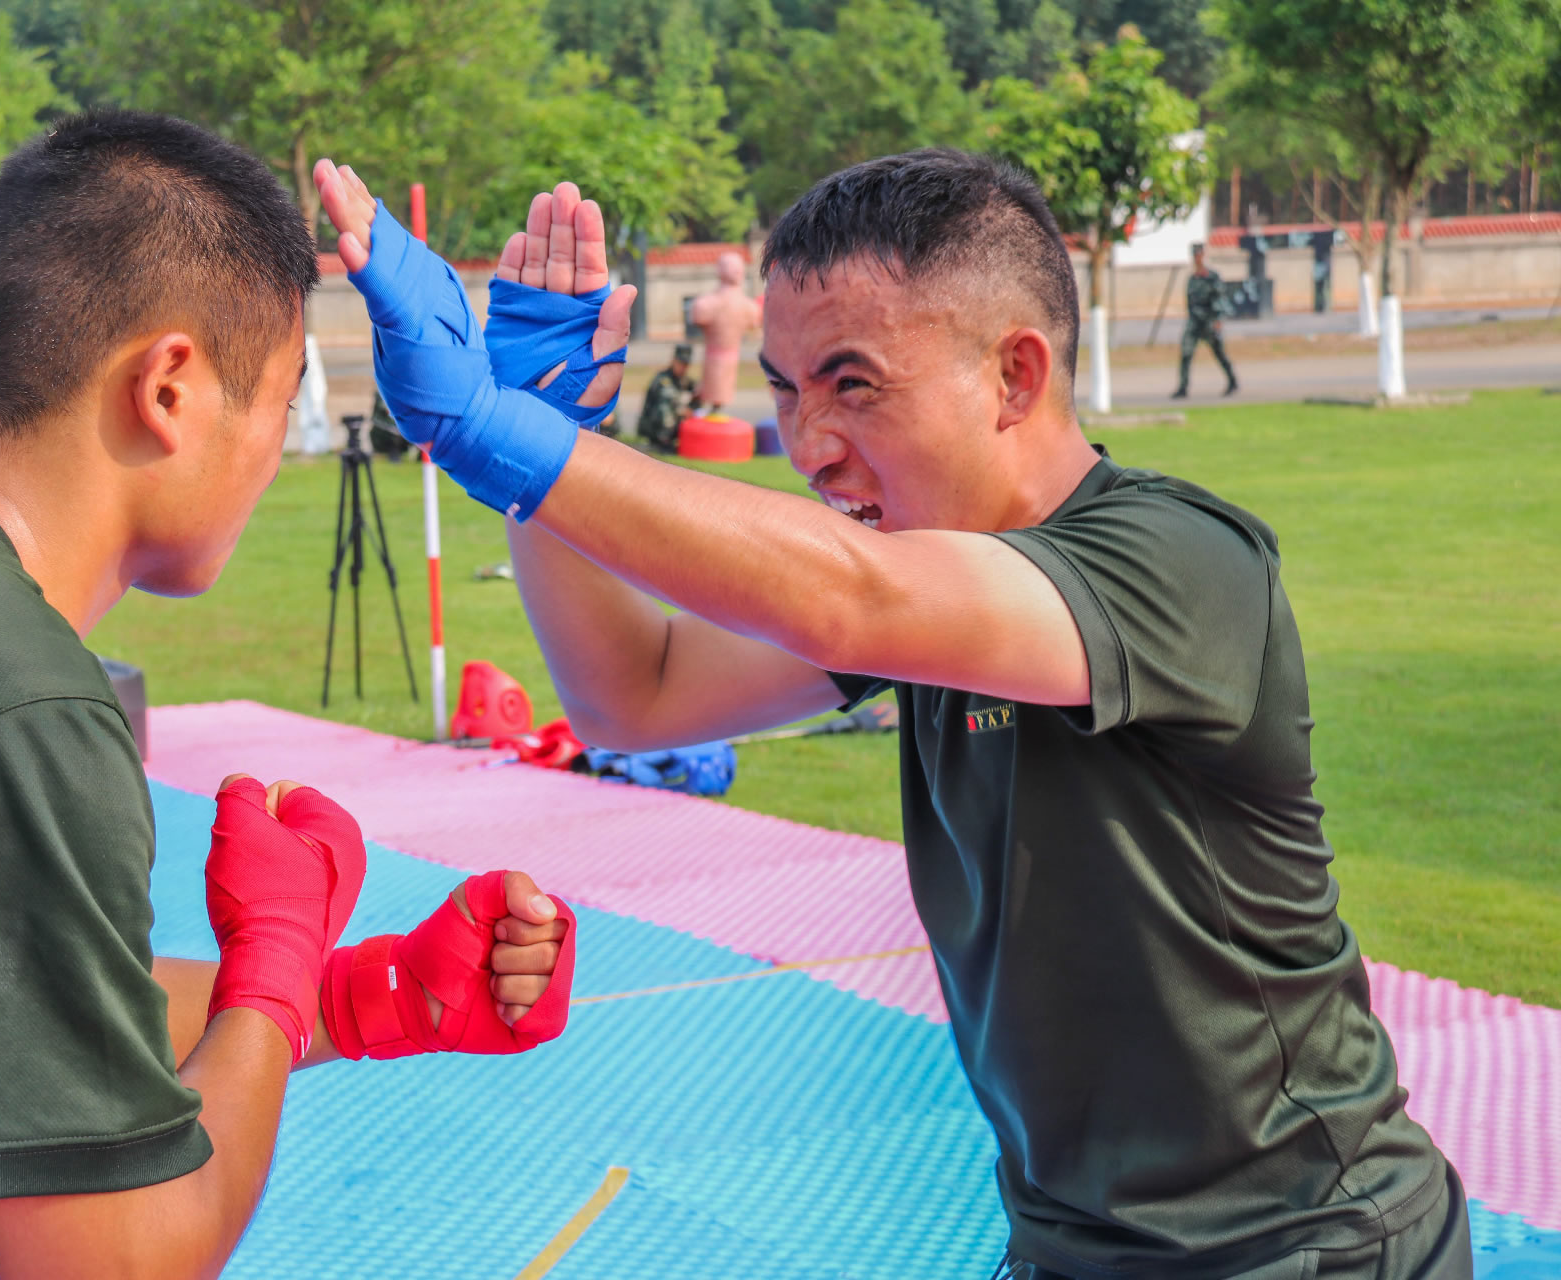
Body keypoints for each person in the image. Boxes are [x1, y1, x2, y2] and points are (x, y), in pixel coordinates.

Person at [315, 148, 1467, 1279]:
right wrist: (538, 444)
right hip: (1075, 1239)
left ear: (1016, 376)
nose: (809, 445)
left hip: (1305, 1239)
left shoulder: (1174, 559)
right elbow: (634, 693)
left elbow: (845, 602)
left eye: (854, 383)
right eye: (785, 386)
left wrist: (499, 431)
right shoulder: (924, 580)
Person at [0, 111, 574, 1280]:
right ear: (172, 388)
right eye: (277, 404)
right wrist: (277, 962)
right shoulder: (8, 695)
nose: (273, 448)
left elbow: (2, 1004)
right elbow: (119, 1260)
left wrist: (355, 994)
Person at [686, 252, 761, 414]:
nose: (737, 271)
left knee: (717, 395)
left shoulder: (705, 305)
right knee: (712, 394)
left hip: (725, 359)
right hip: (713, 359)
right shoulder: (706, 305)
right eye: (734, 268)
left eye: (738, 268)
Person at [1173, 241, 1239, 399]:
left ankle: (1232, 381)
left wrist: (1217, 321)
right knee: (1186, 353)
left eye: (1199, 255)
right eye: (1195, 255)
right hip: (1194, 322)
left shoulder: (1212, 277)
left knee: (1219, 353)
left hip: (1210, 321)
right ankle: (1183, 387)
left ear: (1203, 255)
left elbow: (1220, 300)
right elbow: (1189, 302)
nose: (1197, 258)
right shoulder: (1192, 279)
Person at [635, 343, 699, 452]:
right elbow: (667, 399)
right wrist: (683, 410)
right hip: (653, 426)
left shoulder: (688, 382)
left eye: (686, 364)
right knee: (666, 407)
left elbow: (697, 399)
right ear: (674, 361)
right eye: (681, 363)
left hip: (674, 427)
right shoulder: (663, 379)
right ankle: (662, 441)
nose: (683, 367)